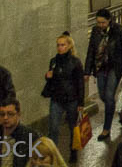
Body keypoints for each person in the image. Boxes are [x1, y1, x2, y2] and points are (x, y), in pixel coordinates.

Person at [84, 9, 122, 141]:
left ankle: (106, 129)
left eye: (103, 22)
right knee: (103, 95)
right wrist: (87, 71)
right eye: (98, 22)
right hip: (100, 67)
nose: (100, 25)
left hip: (114, 67)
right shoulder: (96, 32)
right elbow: (91, 51)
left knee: (108, 96)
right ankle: (119, 109)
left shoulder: (119, 31)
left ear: (109, 20)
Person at [41, 33, 84, 163]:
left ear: (69, 46)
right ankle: (52, 154)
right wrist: (48, 76)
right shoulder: (54, 61)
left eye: (63, 45)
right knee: (53, 128)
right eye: (58, 45)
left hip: (71, 99)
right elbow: (52, 80)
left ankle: (73, 151)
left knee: (73, 128)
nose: (60, 48)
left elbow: (80, 84)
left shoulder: (75, 62)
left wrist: (80, 103)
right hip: (56, 99)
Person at [0, 99, 36, 167]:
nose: (5, 117)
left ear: (18, 115)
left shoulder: (30, 137)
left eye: (10, 114)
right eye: (2, 114)